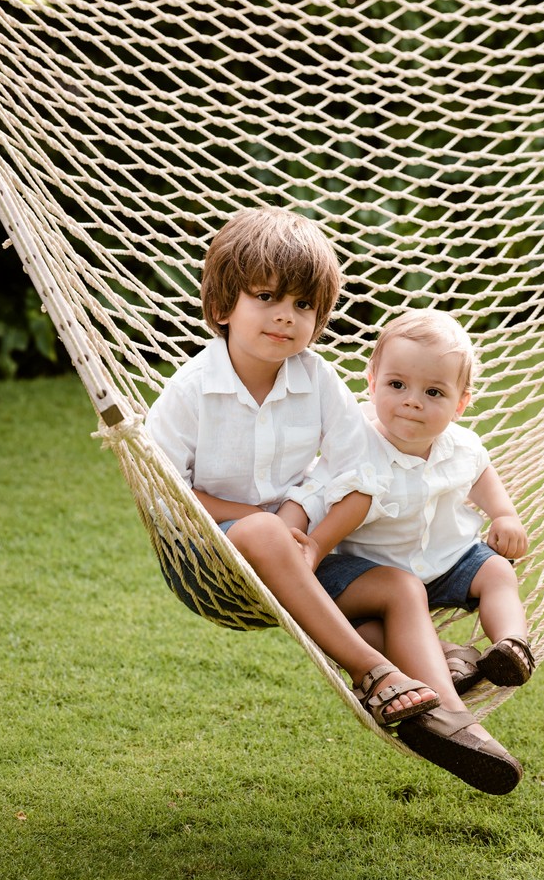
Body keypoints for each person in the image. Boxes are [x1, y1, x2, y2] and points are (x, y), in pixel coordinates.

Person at [146, 208, 521, 794]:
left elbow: (357, 473)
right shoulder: (192, 391)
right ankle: (374, 672)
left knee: (399, 586)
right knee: (266, 533)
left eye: (302, 305)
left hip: (304, 550)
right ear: (223, 307)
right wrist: (265, 520)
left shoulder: (317, 380)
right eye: (266, 296)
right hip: (211, 558)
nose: (285, 316)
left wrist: (309, 532)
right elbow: (165, 492)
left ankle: (452, 723)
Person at [300, 307, 534, 787]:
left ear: (461, 403)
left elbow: (482, 477)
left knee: (497, 573)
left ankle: (511, 646)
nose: (412, 402)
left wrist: (505, 515)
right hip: (362, 572)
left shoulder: (461, 446)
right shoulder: (355, 442)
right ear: (371, 381)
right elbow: (320, 500)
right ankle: (448, 716)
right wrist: (308, 554)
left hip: (447, 560)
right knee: (373, 627)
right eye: (397, 385)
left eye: (433, 393)